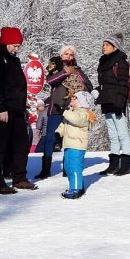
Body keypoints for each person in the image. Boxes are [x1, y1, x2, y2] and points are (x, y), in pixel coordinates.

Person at [0, 27, 37, 194]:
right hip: (1, 109)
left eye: (18, 46)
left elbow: (17, 85)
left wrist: (22, 107)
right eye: (13, 45)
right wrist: (0, 107)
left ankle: (19, 177)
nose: (15, 48)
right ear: (4, 42)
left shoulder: (13, 60)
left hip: (17, 108)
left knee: (21, 144)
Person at [35, 46, 92, 180]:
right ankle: (45, 169)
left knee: (68, 140)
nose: (69, 57)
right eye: (66, 54)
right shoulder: (56, 68)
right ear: (61, 55)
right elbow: (50, 80)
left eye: (71, 55)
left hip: (72, 110)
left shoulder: (78, 71)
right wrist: (65, 72)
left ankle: (68, 168)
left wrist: (81, 87)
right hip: (55, 109)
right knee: (50, 138)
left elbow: (88, 85)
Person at [94, 33, 130, 175]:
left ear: (115, 47)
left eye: (107, 45)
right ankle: (114, 163)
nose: (104, 47)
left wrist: (120, 102)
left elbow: (123, 83)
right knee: (112, 134)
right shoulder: (103, 61)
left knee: (122, 133)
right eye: (103, 44)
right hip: (106, 100)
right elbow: (104, 83)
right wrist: (97, 91)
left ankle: (126, 164)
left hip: (117, 101)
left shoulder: (121, 62)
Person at [57, 90, 97, 199]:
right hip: (69, 145)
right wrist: (58, 133)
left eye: (75, 98)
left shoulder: (84, 114)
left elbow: (77, 120)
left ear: (81, 102)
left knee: (75, 167)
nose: (72, 99)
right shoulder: (71, 112)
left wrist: (64, 112)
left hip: (78, 145)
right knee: (68, 167)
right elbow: (64, 124)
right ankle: (73, 186)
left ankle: (76, 189)